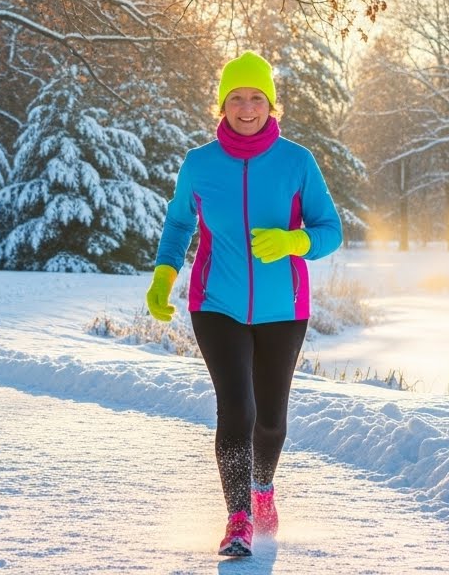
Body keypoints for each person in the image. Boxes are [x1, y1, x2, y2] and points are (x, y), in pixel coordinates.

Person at [145, 50, 342, 557]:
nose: (247, 107)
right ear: (223, 104)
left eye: (257, 97)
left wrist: (295, 242)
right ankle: (237, 519)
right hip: (216, 304)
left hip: (284, 307)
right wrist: (164, 275)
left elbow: (330, 230)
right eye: (237, 97)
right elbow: (178, 225)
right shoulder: (199, 164)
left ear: (271, 104)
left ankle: (262, 490)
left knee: (271, 420)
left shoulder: (297, 162)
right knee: (237, 408)